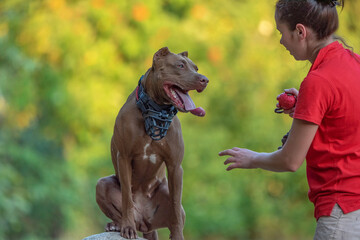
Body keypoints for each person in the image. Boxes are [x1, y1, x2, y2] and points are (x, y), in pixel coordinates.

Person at [218, 0, 360, 239]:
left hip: (340, 212)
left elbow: (290, 160)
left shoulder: (319, 81)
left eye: (281, 32)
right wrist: (308, 109)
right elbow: (345, 122)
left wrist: (252, 158)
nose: (281, 41)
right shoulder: (353, 62)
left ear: (300, 31)